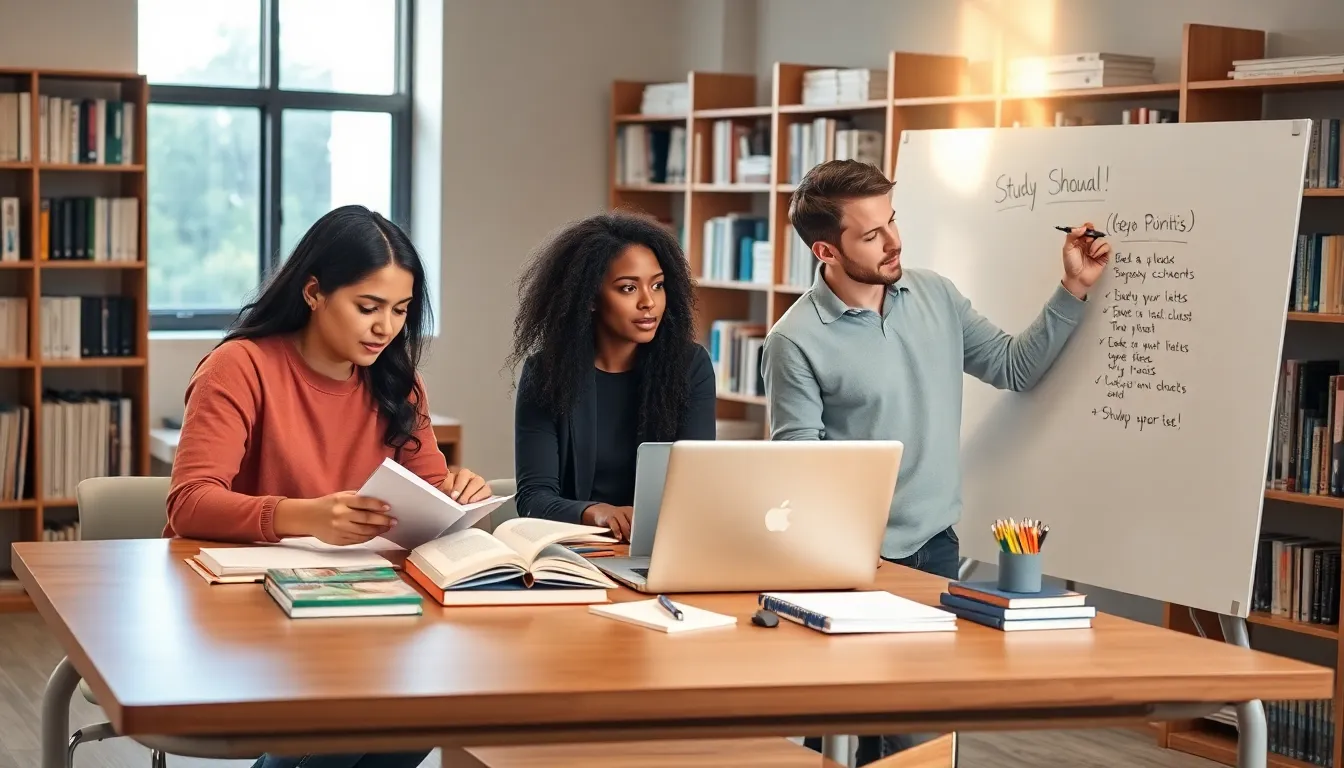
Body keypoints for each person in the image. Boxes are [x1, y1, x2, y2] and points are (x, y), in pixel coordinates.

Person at [762, 160, 1110, 765]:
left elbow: (1014, 367)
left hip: (935, 547)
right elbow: (800, 467)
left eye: (892, 221)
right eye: (871, 235)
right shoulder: (795, 340)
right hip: (854, 563)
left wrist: (1074, 288)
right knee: (840, 736)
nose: (894, 241)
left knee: (920, 740)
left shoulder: (935, 294)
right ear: (826, 249)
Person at [166, 204, 492, 768]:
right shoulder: (239, 367)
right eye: (367, 307)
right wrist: (308, 516)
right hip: (245, 606)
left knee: (421, 711)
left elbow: (429, 494)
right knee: (360, 713)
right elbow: (190, 503)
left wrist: (456, 492)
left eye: (400, 310)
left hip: (358, 606)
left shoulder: (398, 382)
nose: (385, 328)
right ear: (314, 292)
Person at [509, 209, 716, 541]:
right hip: (580, 550)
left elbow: (698, 486)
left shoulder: (690, 367)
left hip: (663, 547)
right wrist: (597, 512)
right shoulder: (546, 373)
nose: (649, 302)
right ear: (589, 298)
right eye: (628, 288)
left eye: (658, 285)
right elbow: (533, 499)